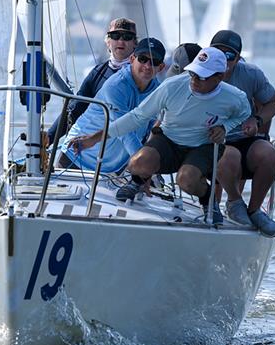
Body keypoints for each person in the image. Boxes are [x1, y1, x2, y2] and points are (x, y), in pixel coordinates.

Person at [70, 47, 251, 225]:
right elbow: (136, 117)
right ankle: (137, 181)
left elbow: (244, 113)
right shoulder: (171, 86)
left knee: (186, 180)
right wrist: (93, 139)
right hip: (169, 140)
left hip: (202, 145)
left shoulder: (235, 97)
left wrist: (225, 127)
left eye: (202, 76)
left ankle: (207, 201)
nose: (194, 80)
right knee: (137, 163)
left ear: (220, 77)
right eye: (193, 73)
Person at [209, 30, 275, 237]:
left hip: (243, 137)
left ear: (239, 59)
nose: (223, 59)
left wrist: (257, 120)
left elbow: (273, 103)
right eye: (217, 52)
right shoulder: (198, 72)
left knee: (269, 155)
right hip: (210, 140)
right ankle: (230, 202)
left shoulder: (251, 75)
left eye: (229, 55)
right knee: (229, 156)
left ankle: (253, 210)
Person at [58, 38, 167, 172]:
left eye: (154, 62)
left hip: (114, 169)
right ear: (132, 59)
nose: (148, 66)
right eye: (143, 59)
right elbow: (124, 130)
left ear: (161, 67)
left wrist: (152, 170)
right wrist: (144, 169)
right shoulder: (115, 86)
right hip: (77, 158)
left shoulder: (159, 91)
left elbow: (153, 131)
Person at [46, 17, 138, 144]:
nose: (121, 41)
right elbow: (75, 109)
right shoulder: (98, 72)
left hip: (124, 147)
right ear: (108, 42)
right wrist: (49, 137)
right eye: (115, 36)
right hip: (95, 147)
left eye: (127, 37)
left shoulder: (140, 74)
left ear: (135, 43)